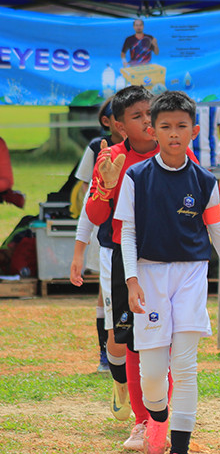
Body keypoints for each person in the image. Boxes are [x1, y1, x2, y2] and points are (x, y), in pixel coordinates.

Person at [116, 90, 220, 454]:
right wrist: (131, 279)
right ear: (153, 130)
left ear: (194, 130)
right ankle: (157, 418)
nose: (174, 133)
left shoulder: (205, 181)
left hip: (191, 275)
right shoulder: (136, 177)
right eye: (165, 126)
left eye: (181, 126)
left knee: (185, 368)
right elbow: (127, 233)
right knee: (154, 373)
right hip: (150, 275)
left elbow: (219, 233)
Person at [78, 86, 191, 452]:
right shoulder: (109, 158)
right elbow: (95, 217)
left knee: (165, 340)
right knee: (131, 342)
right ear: (122, 127)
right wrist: (105, 188)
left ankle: (163, 417)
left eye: (149, 115)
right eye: (137, 117)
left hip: (165, 257)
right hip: (120, 259)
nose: (147, 122)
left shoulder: (174, 153)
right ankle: (143, 422)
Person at [70, 99, 121, 372]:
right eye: (121, 116)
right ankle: (106, 353)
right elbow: (88, 194)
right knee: (106, 294)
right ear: (107, 121)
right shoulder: (96, 148)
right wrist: (80, 247)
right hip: (106, 233)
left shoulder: (152, 148)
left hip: (139, 239)